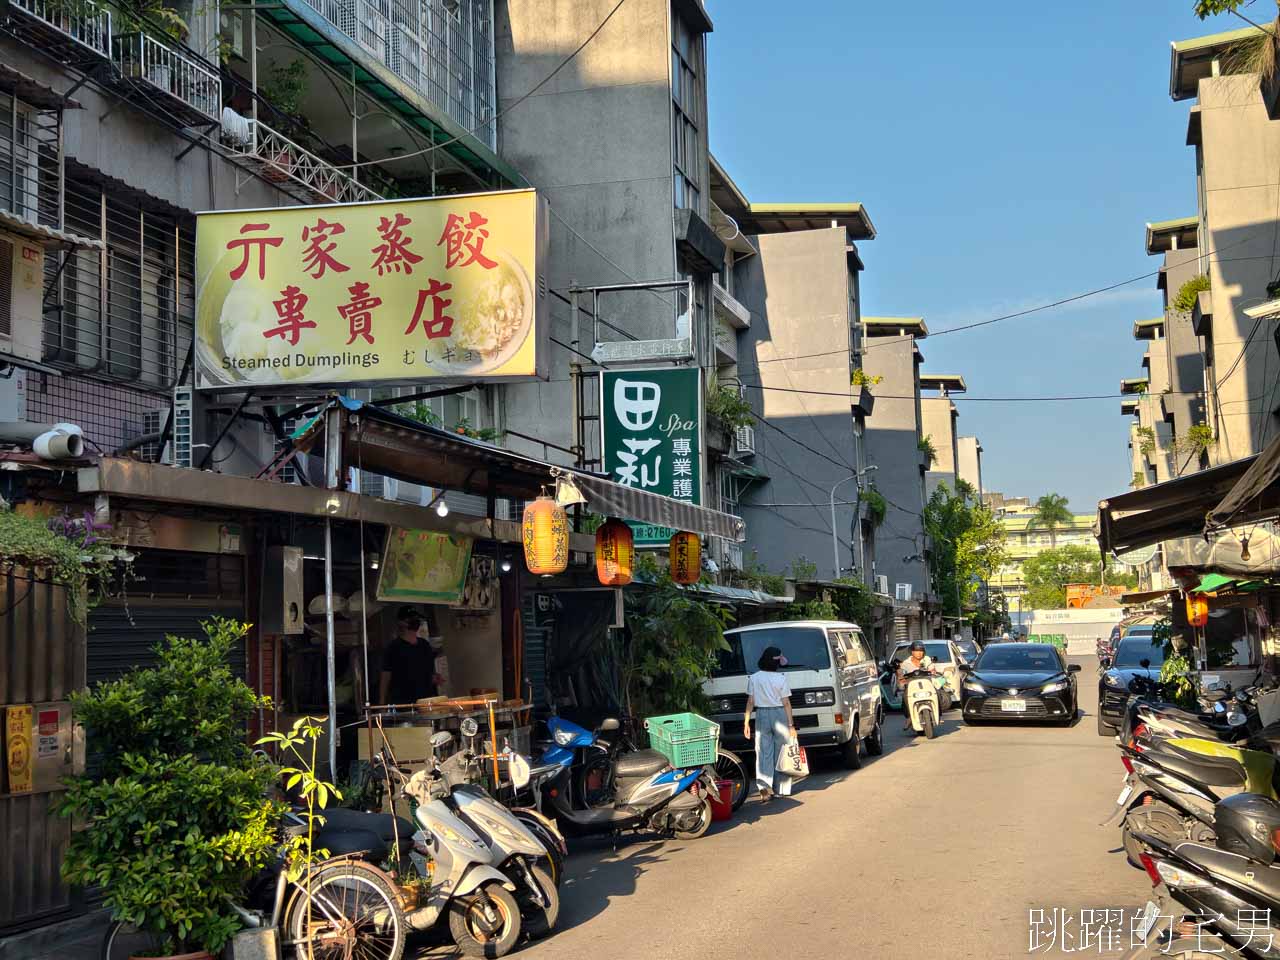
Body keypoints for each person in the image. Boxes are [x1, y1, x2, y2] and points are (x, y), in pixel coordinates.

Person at [743, 646, 797, 801]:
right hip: (780, 714)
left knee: (763, 752)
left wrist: (746, 722)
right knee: (782, 751)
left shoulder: (754, 678)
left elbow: (751, 701)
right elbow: (786, 703)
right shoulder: (781, 678)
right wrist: (791, 726)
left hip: (761, 715)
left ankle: (764, 788)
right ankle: (781, 788)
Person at [379, 606, 442, 706]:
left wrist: (434, 678)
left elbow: (428, 673)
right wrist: (382, 704)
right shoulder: (394, 648)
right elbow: (385, 677)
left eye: (416, 618)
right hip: (404, 705)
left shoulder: (424, 645)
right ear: (401, 622)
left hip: (426, 704)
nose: (415, 621)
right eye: (411, 618)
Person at [897, 640, 936, 731]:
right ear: (912, 652)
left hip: (926, 685)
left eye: (921, 651)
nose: (919, 653)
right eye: (916, 651)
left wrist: (933, 672)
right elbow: (901, 675)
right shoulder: (905, 663)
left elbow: (932, 670)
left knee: (937, 693)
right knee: (905, 698)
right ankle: (909, 717)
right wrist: (901, 676)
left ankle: (938, 713)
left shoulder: (927, 659)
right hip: (912, 687)